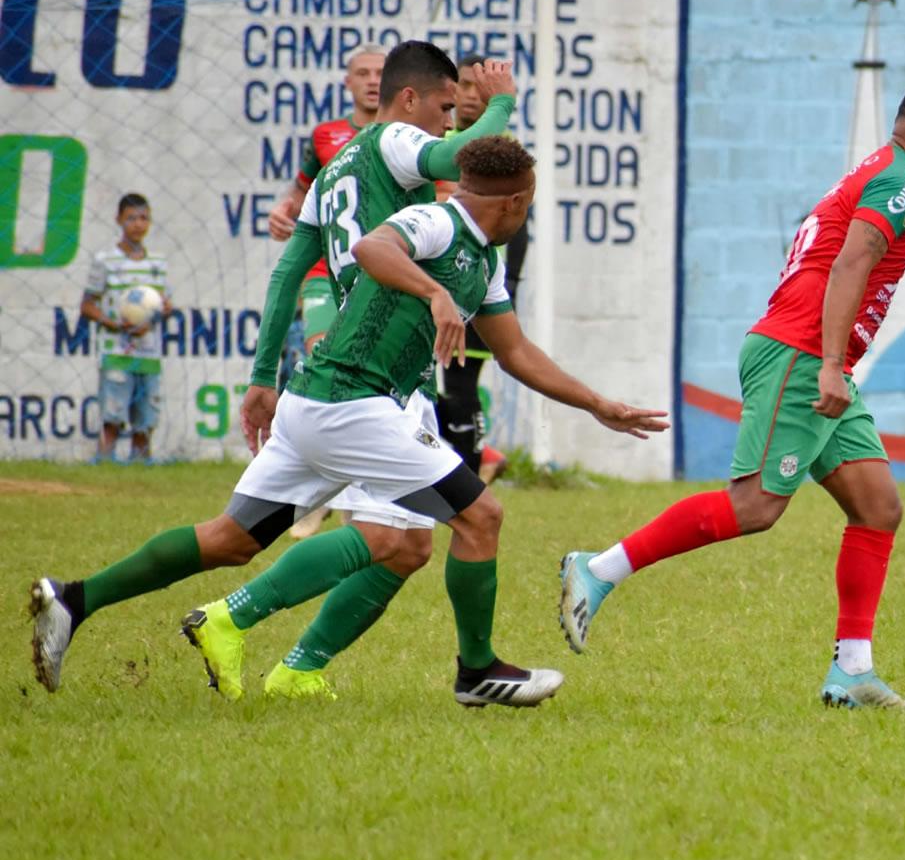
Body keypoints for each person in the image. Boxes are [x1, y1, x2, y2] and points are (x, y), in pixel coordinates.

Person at [27, 43, 537, 698]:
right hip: (375, 379)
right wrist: (499, 100)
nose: (446, 122)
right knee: (403, 534)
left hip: (321, 379)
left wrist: (263, 376)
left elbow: (289, 272)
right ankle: (248, 626)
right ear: (409, 101)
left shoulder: (332, 171)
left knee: (234, 538)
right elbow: (459, 160)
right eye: (442, 106)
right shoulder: (398, 141)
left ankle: (75, 599)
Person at [171, 134, 667, 706]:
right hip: (355, 396)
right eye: (442, 106)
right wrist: (435, 294)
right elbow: (373, 250)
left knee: (403, 545)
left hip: (390, 396)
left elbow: (516, 351)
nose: (444, 125)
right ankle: (470, 669)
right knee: (442, 524)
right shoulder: (429, 215)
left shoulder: (483, 257)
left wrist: (596, 404)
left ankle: (287, 661)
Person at [558, 77, 905, 709]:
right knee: (754, 507)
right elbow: (849, 263)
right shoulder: (904, 181)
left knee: (878, 506)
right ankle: (599, 568)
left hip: (815, 355)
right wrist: (831, 363)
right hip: (805, 356)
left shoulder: (880, 172)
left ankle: (852, 672)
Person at [269, 43, 386, 535]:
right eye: (362, 72)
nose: (371, 80)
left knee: (369, 379)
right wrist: (284, 211)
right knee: (321, 357)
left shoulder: (401, 138)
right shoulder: (325, 136)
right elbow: (300, 195)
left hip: (378, 277)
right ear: (347, 82)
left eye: (380, 72)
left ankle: (353, 486)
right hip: (324, 271)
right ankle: (314, 489)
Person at [435, 54, 530, 482]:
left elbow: (525, 220)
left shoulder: (497, 147)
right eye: (463, 86)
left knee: (460, 380)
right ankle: (479, 458)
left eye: (478, 86)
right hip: (432, 280)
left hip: (476, 280)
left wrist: (509, 279)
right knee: (428, 384)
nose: (470, 95)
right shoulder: (435, 142)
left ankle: (470, 474)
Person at [80, 192, 174, 462]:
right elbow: (87, 305)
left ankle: (140, 463)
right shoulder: (105, 260)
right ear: (118, 220)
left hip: (149, 352)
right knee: (112, 415)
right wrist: (115, 323)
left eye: (143, 218)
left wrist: (159, 315)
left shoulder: (157, 263)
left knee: (145, 418)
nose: (137, 224)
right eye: (131, 218)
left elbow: (163, 304)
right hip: (116, 352)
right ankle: (104, 460)